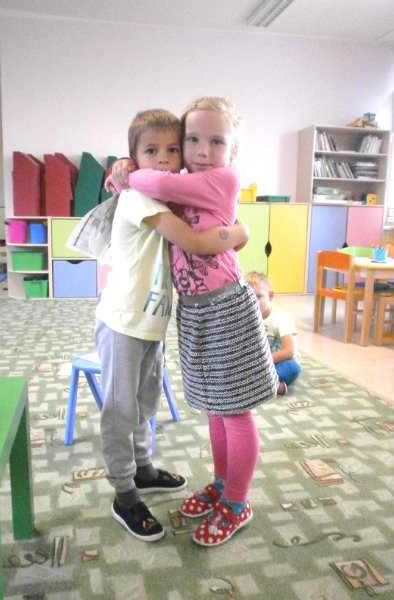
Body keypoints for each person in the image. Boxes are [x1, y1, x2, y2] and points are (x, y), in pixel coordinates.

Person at [108, 97, 278, 547]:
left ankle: (237, 501)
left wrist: (126, 170)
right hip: (196, 308)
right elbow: (156, 177)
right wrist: (126, 164)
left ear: (233, 149)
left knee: (235, 410)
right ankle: (222, 484)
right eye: (193, 139)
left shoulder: (221, 178)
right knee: (216, 408)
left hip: (226, 305)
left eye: (216, 141)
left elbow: (155, 181)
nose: (203, 150)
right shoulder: (181, 181)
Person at [245, 271, 301, 395]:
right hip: (258, 365)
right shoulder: (246, 318)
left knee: (293, 368)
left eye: (258, 296)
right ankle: (269, 386)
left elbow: (289, 351)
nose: (253, 301)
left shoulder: (281, 317)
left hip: (280, 362)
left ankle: (257, 384)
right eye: (249, 297)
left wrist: (261, 362)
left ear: (270, 296)